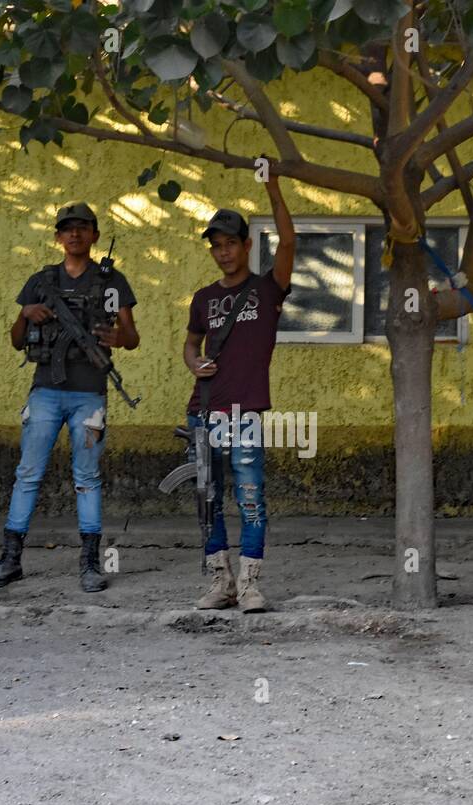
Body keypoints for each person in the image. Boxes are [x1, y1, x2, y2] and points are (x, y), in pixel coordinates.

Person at [0, 202, 139, 592]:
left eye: (82, 228)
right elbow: (16, 340)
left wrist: (120, 338)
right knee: (28, 474)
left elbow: (132, 337)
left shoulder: (111, 281)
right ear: (58, 237)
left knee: (87, 477)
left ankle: (89, 563)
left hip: (89, 395)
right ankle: (10, 558)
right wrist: (26, 313)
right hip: (45, 393)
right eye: (67, 229)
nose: (75, 234)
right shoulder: (41, 281)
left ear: (94, 235)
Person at [182, 173, 294, 613]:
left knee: (250, 500)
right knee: (208, 504)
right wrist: (194, 361)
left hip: (245, 412)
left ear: (247, 245)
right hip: (204, 411)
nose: (223, 251)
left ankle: (249, 586)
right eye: (216, 245)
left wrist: (273, 187)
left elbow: (288, 242)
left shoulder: (267, 289)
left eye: (231, 243)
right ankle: (220, 583)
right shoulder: (203, 298)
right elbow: (191, 344)